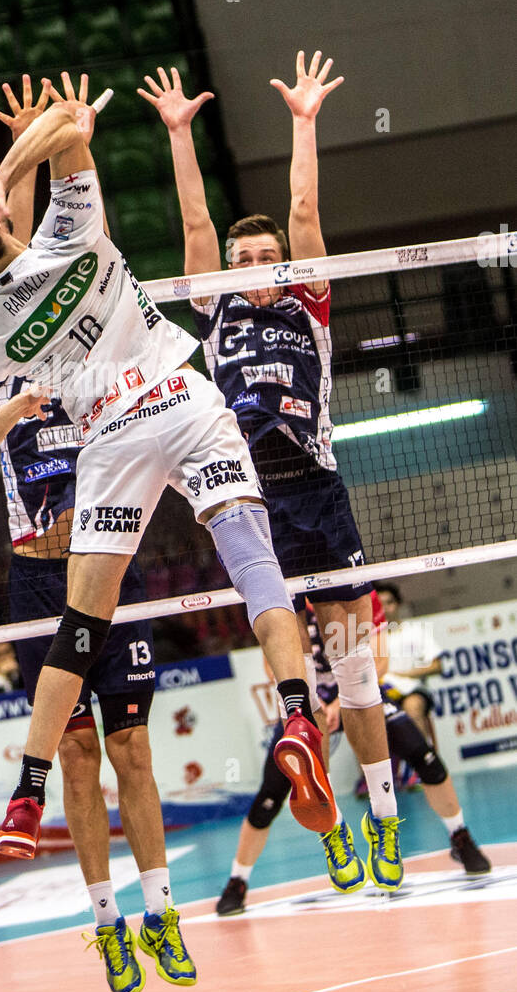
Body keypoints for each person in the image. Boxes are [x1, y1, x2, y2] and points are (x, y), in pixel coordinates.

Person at [0, 70, 336, 989]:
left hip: (110, 442)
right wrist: (9, 164)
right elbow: (71, 123)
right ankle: (299, 717)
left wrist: (9, 406)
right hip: (183, 398)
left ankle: (25, 796)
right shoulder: (71, 229)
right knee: (252, 562)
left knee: (83, 621)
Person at [146, 56, 402, 893]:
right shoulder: (215, 309)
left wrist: (303, 122)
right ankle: (321, 806)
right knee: (295, 676)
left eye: (266, 254)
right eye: (241, 254)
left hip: (320, 491)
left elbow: (302, 210)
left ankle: (385, 822)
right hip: (251, 499)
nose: (255, 261)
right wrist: (181, 136)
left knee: (356, 676)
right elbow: (192, 224)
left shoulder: (309, 304)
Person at [0, 76, 190, 992]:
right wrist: (29, 154)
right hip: (40, 580)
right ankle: (106, 924)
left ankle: (161, 913)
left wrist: (52, 140)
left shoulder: (86, 329)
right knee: (74, 752)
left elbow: (49, 244)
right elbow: (11, 254)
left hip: (107, 560)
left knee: (135, 749)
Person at [217, 598, 491, 914]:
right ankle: (237, 881)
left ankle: (460, 837)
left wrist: (338, 706)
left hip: (359, 694)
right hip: (307, 701)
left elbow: (380, 661)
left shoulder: (351, 586)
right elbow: (273, 663)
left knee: (424, 756)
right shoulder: (285, 591)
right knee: (271, 793)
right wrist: (315, 705)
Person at [377, 583, 442, 748]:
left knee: (412, 708)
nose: (385, 609)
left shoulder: (415, 631)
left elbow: (437, 666)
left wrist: (406, 675)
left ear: (398, 604)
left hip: (413, 689)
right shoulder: (372, 638)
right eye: (380, 604)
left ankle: (426, 764)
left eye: (389, 603)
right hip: (383, 694)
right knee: (366, 720)